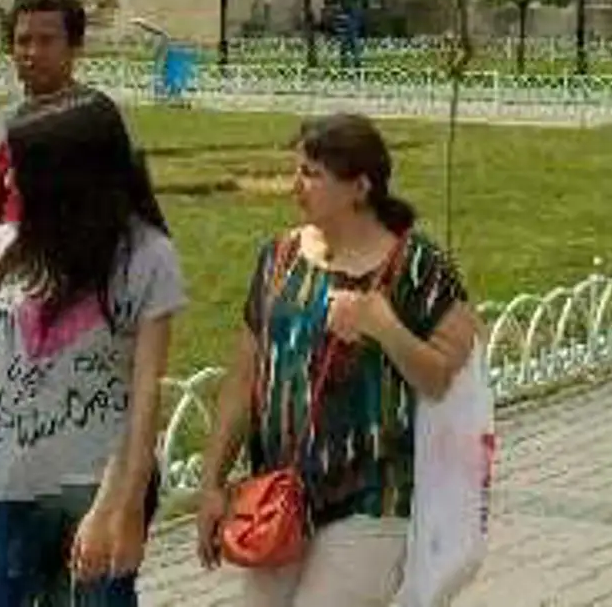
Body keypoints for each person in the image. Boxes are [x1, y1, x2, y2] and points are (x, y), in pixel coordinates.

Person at [193, 115, 477, 605]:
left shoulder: (415, 267)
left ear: (360, 187)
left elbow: (440, 378)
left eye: (311, 174)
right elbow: (243, 380)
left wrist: (384, 325)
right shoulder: (280, 259)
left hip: (371, 500)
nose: (295, 185)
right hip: (278, 497)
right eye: (297, 170)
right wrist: (212, 486)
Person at [0, 91, 182, 607]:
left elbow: (145, 394)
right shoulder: (13, 244)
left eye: (22, 165)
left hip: (90, 487)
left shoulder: (147, 257)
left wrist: (123, 504)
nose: (9, 179)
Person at [0, 0, 101, 239]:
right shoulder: (3, 120)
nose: (33, 52)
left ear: (75, 48)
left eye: (47, 41)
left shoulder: (98, 118)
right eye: (23, 41)